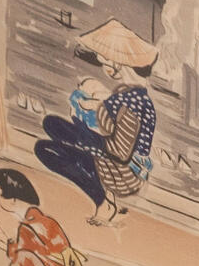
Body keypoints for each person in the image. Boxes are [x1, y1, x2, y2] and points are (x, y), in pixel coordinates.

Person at [34, 25, 162, 229]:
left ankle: (103, 202)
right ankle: (107, 199)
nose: (104, 67)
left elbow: (120, 152)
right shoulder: (129, 93)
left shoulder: (133, 103)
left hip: (125, 172)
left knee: (45, 149)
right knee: (52, 124)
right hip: (117, 161)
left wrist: (84, 133)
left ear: (117, 63)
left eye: (105, 61)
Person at [0, 168, 82, 266]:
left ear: (13, 199)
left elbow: (19, 256)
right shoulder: (41, 220)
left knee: (24, 256)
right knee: (24, 254)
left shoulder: (30, 226)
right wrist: (3, 238)